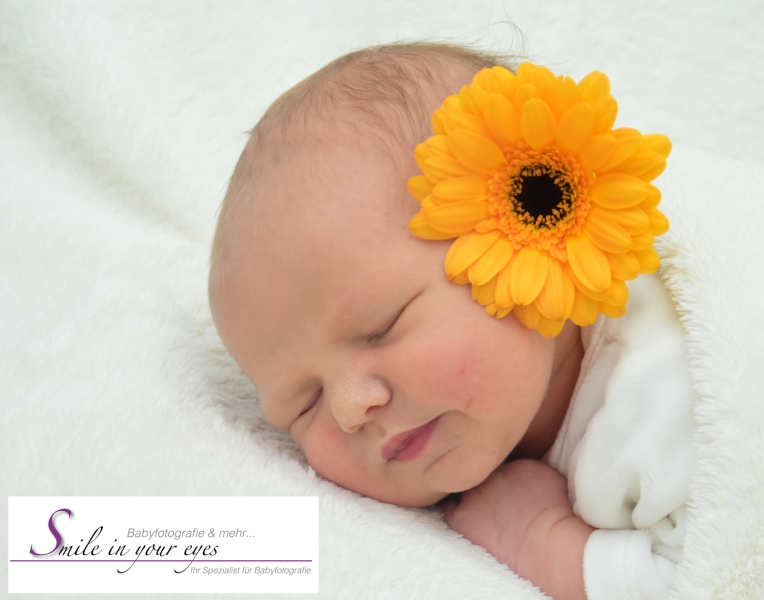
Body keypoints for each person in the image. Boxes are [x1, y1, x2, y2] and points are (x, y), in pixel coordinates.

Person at [208, 42, 695, 600]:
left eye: (382, 325)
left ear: (527, 229)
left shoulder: (662, 401)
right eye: (304, 404)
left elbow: (733, 572)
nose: (348, 407)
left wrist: (543, 543)